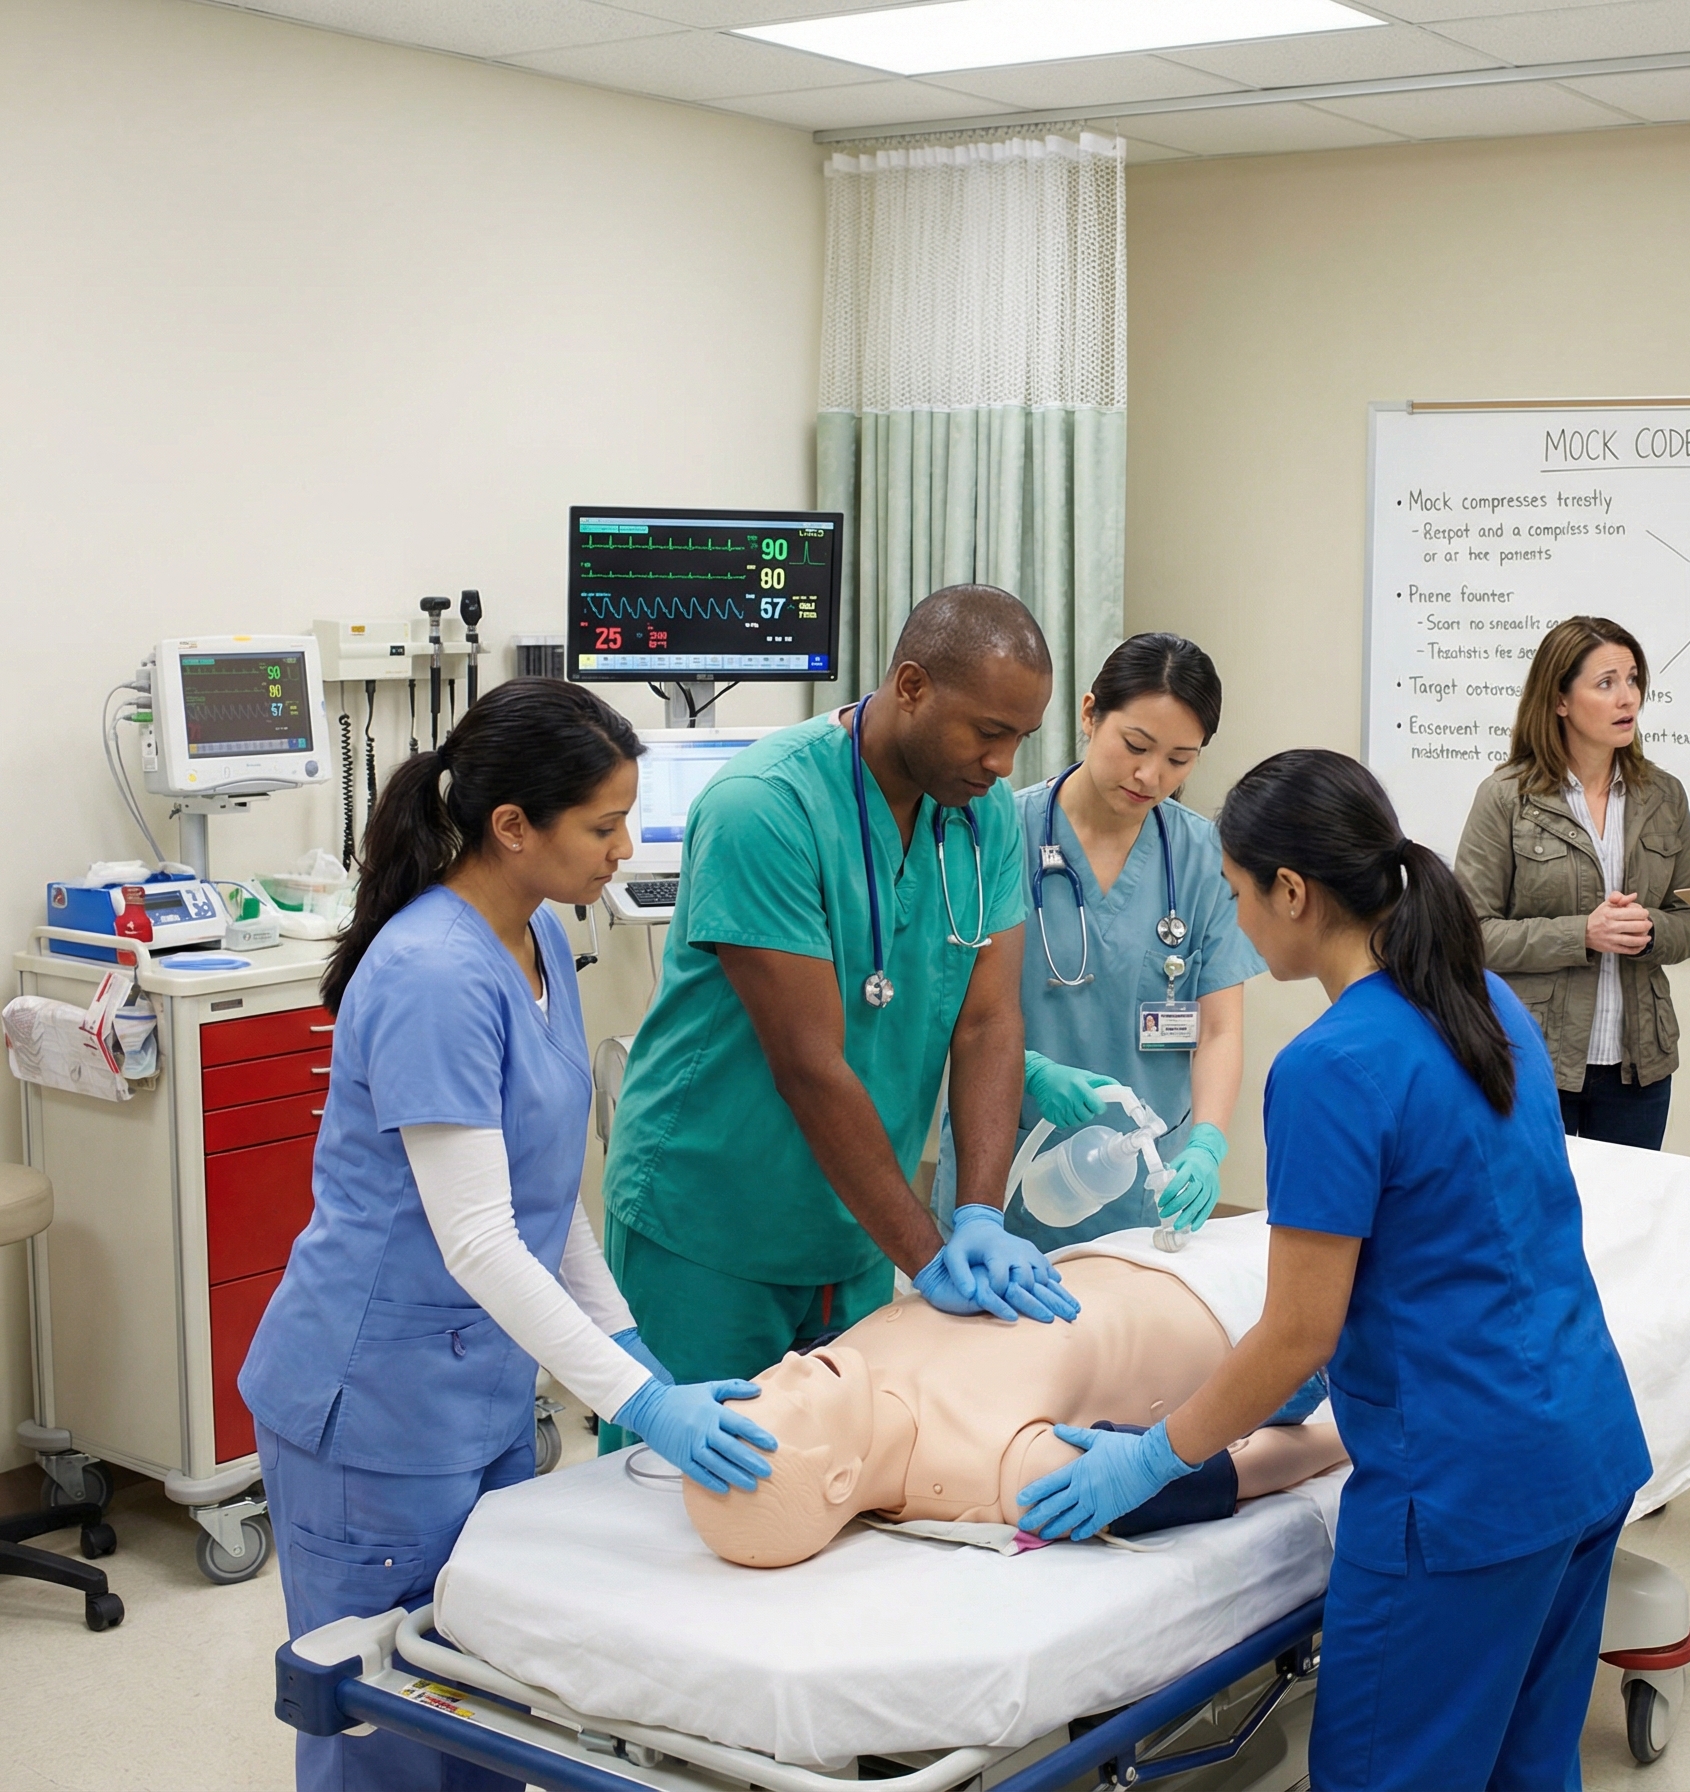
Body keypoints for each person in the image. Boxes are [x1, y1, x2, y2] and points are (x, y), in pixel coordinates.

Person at [1013, 749, 1652, 1792]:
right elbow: (1463, 1239)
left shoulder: (1330, 1066)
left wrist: (1154, 1459)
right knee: (1528, 1771)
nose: (1235, 919)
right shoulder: (1487, 1001)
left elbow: (1298, 1329)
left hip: (1462, 1494)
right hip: (1584, 1447)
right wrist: (1303, 1389)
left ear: (1293, 891)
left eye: (1235, 894)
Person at [240, 680, 779, 1792]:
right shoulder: (435, 974)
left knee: (489, 1709)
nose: (626, 850)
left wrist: (633, 1354)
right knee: (387, 1727)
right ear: (513, 826)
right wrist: (641, 1406)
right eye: (603, 825)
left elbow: (546, 1196)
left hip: (477, 1393)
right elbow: (483, 1241)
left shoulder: (535, 936)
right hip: (373, 1408)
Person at [602, 586, 1080, 1446]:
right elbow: (808, 1066)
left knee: (845, 1479)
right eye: (987, 732)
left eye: (1021, 737)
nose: (1004, 763)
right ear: (911, 686)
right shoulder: (765, 806)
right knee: (674, 1495)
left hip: (856, 1227)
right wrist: (926, 1256)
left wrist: (978, 1214)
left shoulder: (981, 821)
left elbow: (989, 1024)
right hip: (713, 1224)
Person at [681, 1239, 1350, 1567]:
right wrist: (1350, 1436)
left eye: (763, 1383)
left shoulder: (840, 1368)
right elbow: (1229, 1472)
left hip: (1138, 1245)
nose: (792, 1364)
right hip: (1256, 1309)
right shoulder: (998, 1470)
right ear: (839, 1480)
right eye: (790, 1402)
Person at [933, 633, 1265, 1247]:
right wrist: (1028, 1070)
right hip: (1006, 1164)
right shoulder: (998, 831)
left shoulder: (1205, 858)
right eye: (1135, 745)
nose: (1150, 775)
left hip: (1144, 1186)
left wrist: (1207, 1144)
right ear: (1090, 714)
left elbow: (1220, 1029)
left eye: (1180, 759)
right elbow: (940, 1000)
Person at [1453, 616, 1690, 1150]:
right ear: (1560, 700)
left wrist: (1650, 931)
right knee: (1532, 1203)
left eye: (1633, 679)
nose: (1628, 698)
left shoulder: (1665, 796)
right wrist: (1581, 934)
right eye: (1606, 683)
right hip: (1533, 1059)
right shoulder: (1506, 798)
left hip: (1640, 1067)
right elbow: (1470, 934)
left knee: (1628, 1205)